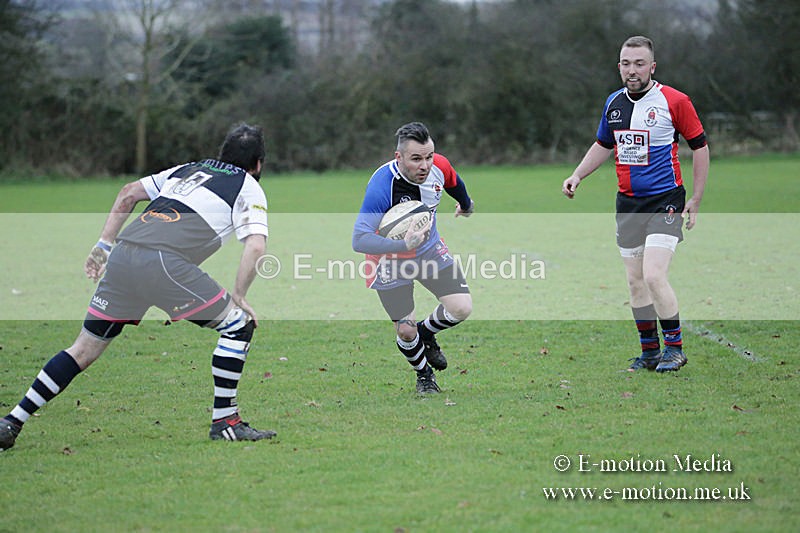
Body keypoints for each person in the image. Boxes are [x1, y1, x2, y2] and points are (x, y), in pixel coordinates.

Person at [1, 123, 276, 451]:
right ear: (258, 164)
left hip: (123, 255)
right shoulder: (248, 186)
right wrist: (240, 296)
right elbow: (256, 246)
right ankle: (226, 423)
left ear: (222, 153)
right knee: (238, 327)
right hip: (162, 262)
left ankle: (12, 421)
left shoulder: (188, 169)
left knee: (84, 349)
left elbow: (129, 192)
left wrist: (104, 244)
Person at [561, 35, 710, 373]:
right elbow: (603, 143)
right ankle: (650, 353)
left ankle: (675, 349)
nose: (632, 70)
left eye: (639, 63)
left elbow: (700, 147)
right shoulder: (614, 103)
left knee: (654, 275)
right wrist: (578, 175)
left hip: (666, 201)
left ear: (652, 67)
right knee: (635, 281)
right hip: (628, 204)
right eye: (626, 64)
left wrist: (697, 199)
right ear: (619, 67)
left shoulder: (674, 101)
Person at [353, 122, 475, 394]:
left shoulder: (438, 166)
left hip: (429, 250)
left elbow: (455, 182)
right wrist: (402, 243)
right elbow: (358, 239)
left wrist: (466, 205)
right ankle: (424, 376)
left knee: (461, 308)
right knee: (406, 332)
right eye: (416, 159)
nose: (425, 165)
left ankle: (428, 332)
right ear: (399, 157)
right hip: (387, 260)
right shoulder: (383, 185)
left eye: (429, 157)